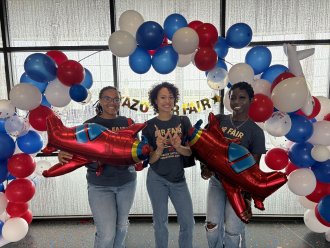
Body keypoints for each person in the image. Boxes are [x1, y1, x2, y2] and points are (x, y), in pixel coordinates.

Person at [58, 86, 137, 248]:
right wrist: (62, 152)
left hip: (127, 183)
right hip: (100, 185)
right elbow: (72, 145)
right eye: (107, 98)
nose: (112, 102)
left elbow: (135, 151)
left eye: (116, 99)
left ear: (120, 102)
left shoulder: (128, 123)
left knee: (122, 226)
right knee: (107, 234)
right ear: (100, 101)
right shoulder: (89, 125)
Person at [201, 82, 266, 248]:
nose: (236, 101)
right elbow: (203, 145)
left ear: (251, 100)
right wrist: (204, 167)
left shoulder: (256, 132)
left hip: (238, 188)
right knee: (212, 226)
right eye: (233, 97)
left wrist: (247, 200)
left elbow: (254, 171)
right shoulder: (219, 120)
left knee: (232, 230)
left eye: (242, 97)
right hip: (216, 183)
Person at [142, 82, 195, 248]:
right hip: (156, 179)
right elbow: (149, 160)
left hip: (178, 179)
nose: (167, 101)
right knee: (160, 222)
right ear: (155, 101)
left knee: (188, 221)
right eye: (163, 97)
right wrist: (158, 149)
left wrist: (179, 147)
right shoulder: (148, 126)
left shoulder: (183, 121)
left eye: (171, 97)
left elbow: (190, 152)